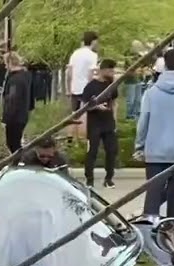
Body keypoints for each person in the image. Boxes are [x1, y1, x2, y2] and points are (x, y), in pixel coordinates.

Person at [135, 47, 174, 218]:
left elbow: (143, 122)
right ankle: (171, 229)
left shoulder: (152, 92)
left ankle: (150, 228)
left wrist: (139, 145)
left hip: (155, 151)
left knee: (153, 194)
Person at [80, 58, 119, 189]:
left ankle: (109, 178)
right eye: (109, 70)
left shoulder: (111, 85)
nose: (112, 72)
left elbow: (114, 103)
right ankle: (89, 179)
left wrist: (115, 120)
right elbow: (84, 106)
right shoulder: (91, 86)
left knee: (111, 150)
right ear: (102, 70)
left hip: (108, 123)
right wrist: (96, 107)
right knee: (92, 151)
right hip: (94, 123)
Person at [66, 31, 99, 138]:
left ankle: (70, 137)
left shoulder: (75, 53)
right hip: (86, 88)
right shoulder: (93, 55)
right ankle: (84, 138)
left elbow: (69, 72)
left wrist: (69, 87)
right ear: (93, 41)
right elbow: (91, 74)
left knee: (74, 114)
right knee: (86, 115)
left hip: (75, 87)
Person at [1, 52, 33, 159]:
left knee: (12, 143)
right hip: (23, 114)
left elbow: (12, 99)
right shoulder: (25, 76)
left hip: (15, 116)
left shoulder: (15, 80)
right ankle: (18, 161)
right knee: (15, 142)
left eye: (6, 63)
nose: (5, 66)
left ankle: (21, 161)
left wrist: (6, 118)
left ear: (10, 63)